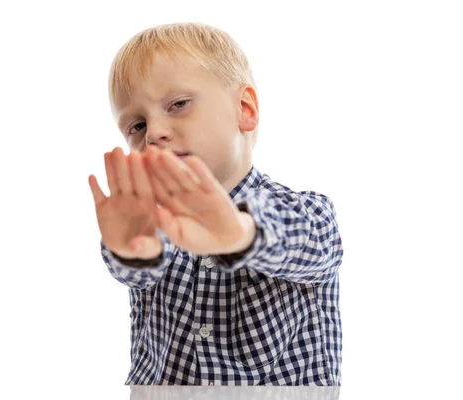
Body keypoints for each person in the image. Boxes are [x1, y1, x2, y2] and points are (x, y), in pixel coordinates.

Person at [88, 22, 343, 386]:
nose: (155, 132)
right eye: (137, 126)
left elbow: (307, 243)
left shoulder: (309, 212)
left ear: (244, 109)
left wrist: (240, 233)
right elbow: (135, 273)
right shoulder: (154, 225)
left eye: (177, 104)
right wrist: (129, 248)